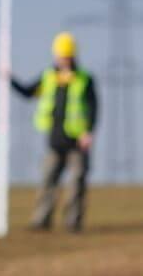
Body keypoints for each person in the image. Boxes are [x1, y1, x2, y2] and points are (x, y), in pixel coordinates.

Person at [11, 31, 99, 233]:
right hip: (55, 141)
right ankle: (41, 220)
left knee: (76, 182)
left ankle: (73, 223)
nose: (63, 59)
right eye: (61, 55)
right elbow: (28, 92)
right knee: (47, 181)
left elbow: (94, 107)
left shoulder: (84, 79)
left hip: (77, 141)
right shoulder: (48, 77)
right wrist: (9, 79)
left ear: (73, 55)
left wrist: (89, 132)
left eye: (67, 56)